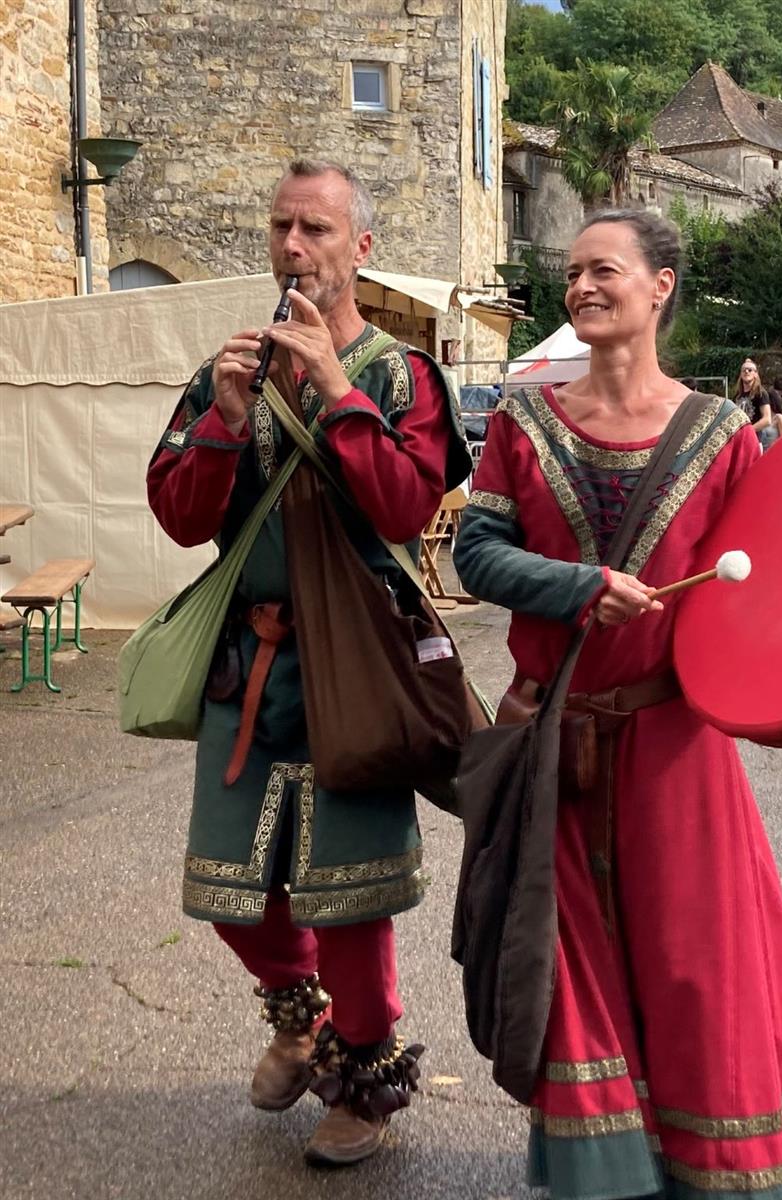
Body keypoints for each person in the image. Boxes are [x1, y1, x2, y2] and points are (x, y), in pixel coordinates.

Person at [454, 210, 782, 1200]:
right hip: (553, 742)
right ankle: (605, 1180)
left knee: (697, 968)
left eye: (605, 269)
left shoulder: (722, 434)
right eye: (572, 272)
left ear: (659, 286)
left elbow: (764, 595)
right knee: (570, 976)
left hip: (678, 747)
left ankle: (715, 1173)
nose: (582, 285)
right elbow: (476, 555)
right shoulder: (519, 420)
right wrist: (577, 586)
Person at [147, 160, 469, 1167]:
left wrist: (334, 390)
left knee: (352, 896)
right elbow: (180, 518)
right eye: (282, 226)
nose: (294, 247)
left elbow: (407, 508)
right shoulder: (223, 370)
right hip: (249, 665)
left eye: (317, 230)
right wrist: (225, 417)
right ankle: (300, 1020)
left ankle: (364, 1087)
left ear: (359, 250)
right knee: (227, 891)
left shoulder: (399, 375)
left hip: (360, 666)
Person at [734, 357, 774, 440]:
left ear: (755, 374)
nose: (746, 371)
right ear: (741, 374)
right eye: (744, 370)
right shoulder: (737, 395)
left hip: (754, 440)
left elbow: (767, 419)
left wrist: (748, 431)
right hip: (739, 440)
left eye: (750, 370)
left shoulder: (761, 393)